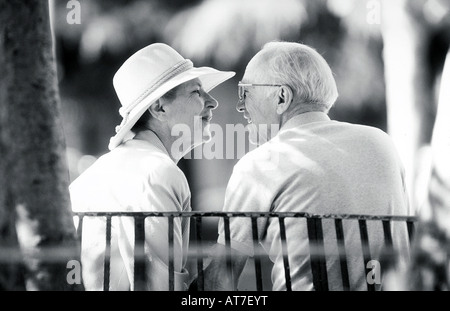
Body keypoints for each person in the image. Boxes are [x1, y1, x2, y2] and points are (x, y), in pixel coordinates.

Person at [198, 41, 413, 291]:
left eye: (245, 92)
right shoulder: (382, 143)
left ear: (282, 97)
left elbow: (219, 281)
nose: (240, 106)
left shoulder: (262, 163)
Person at [69, 43, 235, 291]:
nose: (212, 103)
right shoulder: (158, 172)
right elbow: (162, 286)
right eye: (196, 92)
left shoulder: (97, 172)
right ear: (159, 108)